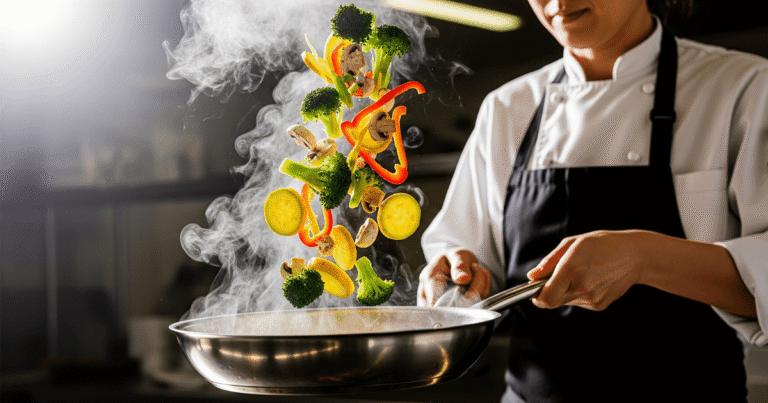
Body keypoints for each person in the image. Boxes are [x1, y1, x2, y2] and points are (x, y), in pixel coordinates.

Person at [419, 0, 768, 401]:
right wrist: (457, 283)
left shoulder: (745, 88)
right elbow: (471, 260)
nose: (557, 2)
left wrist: (643, 256)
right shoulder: (507, 107)